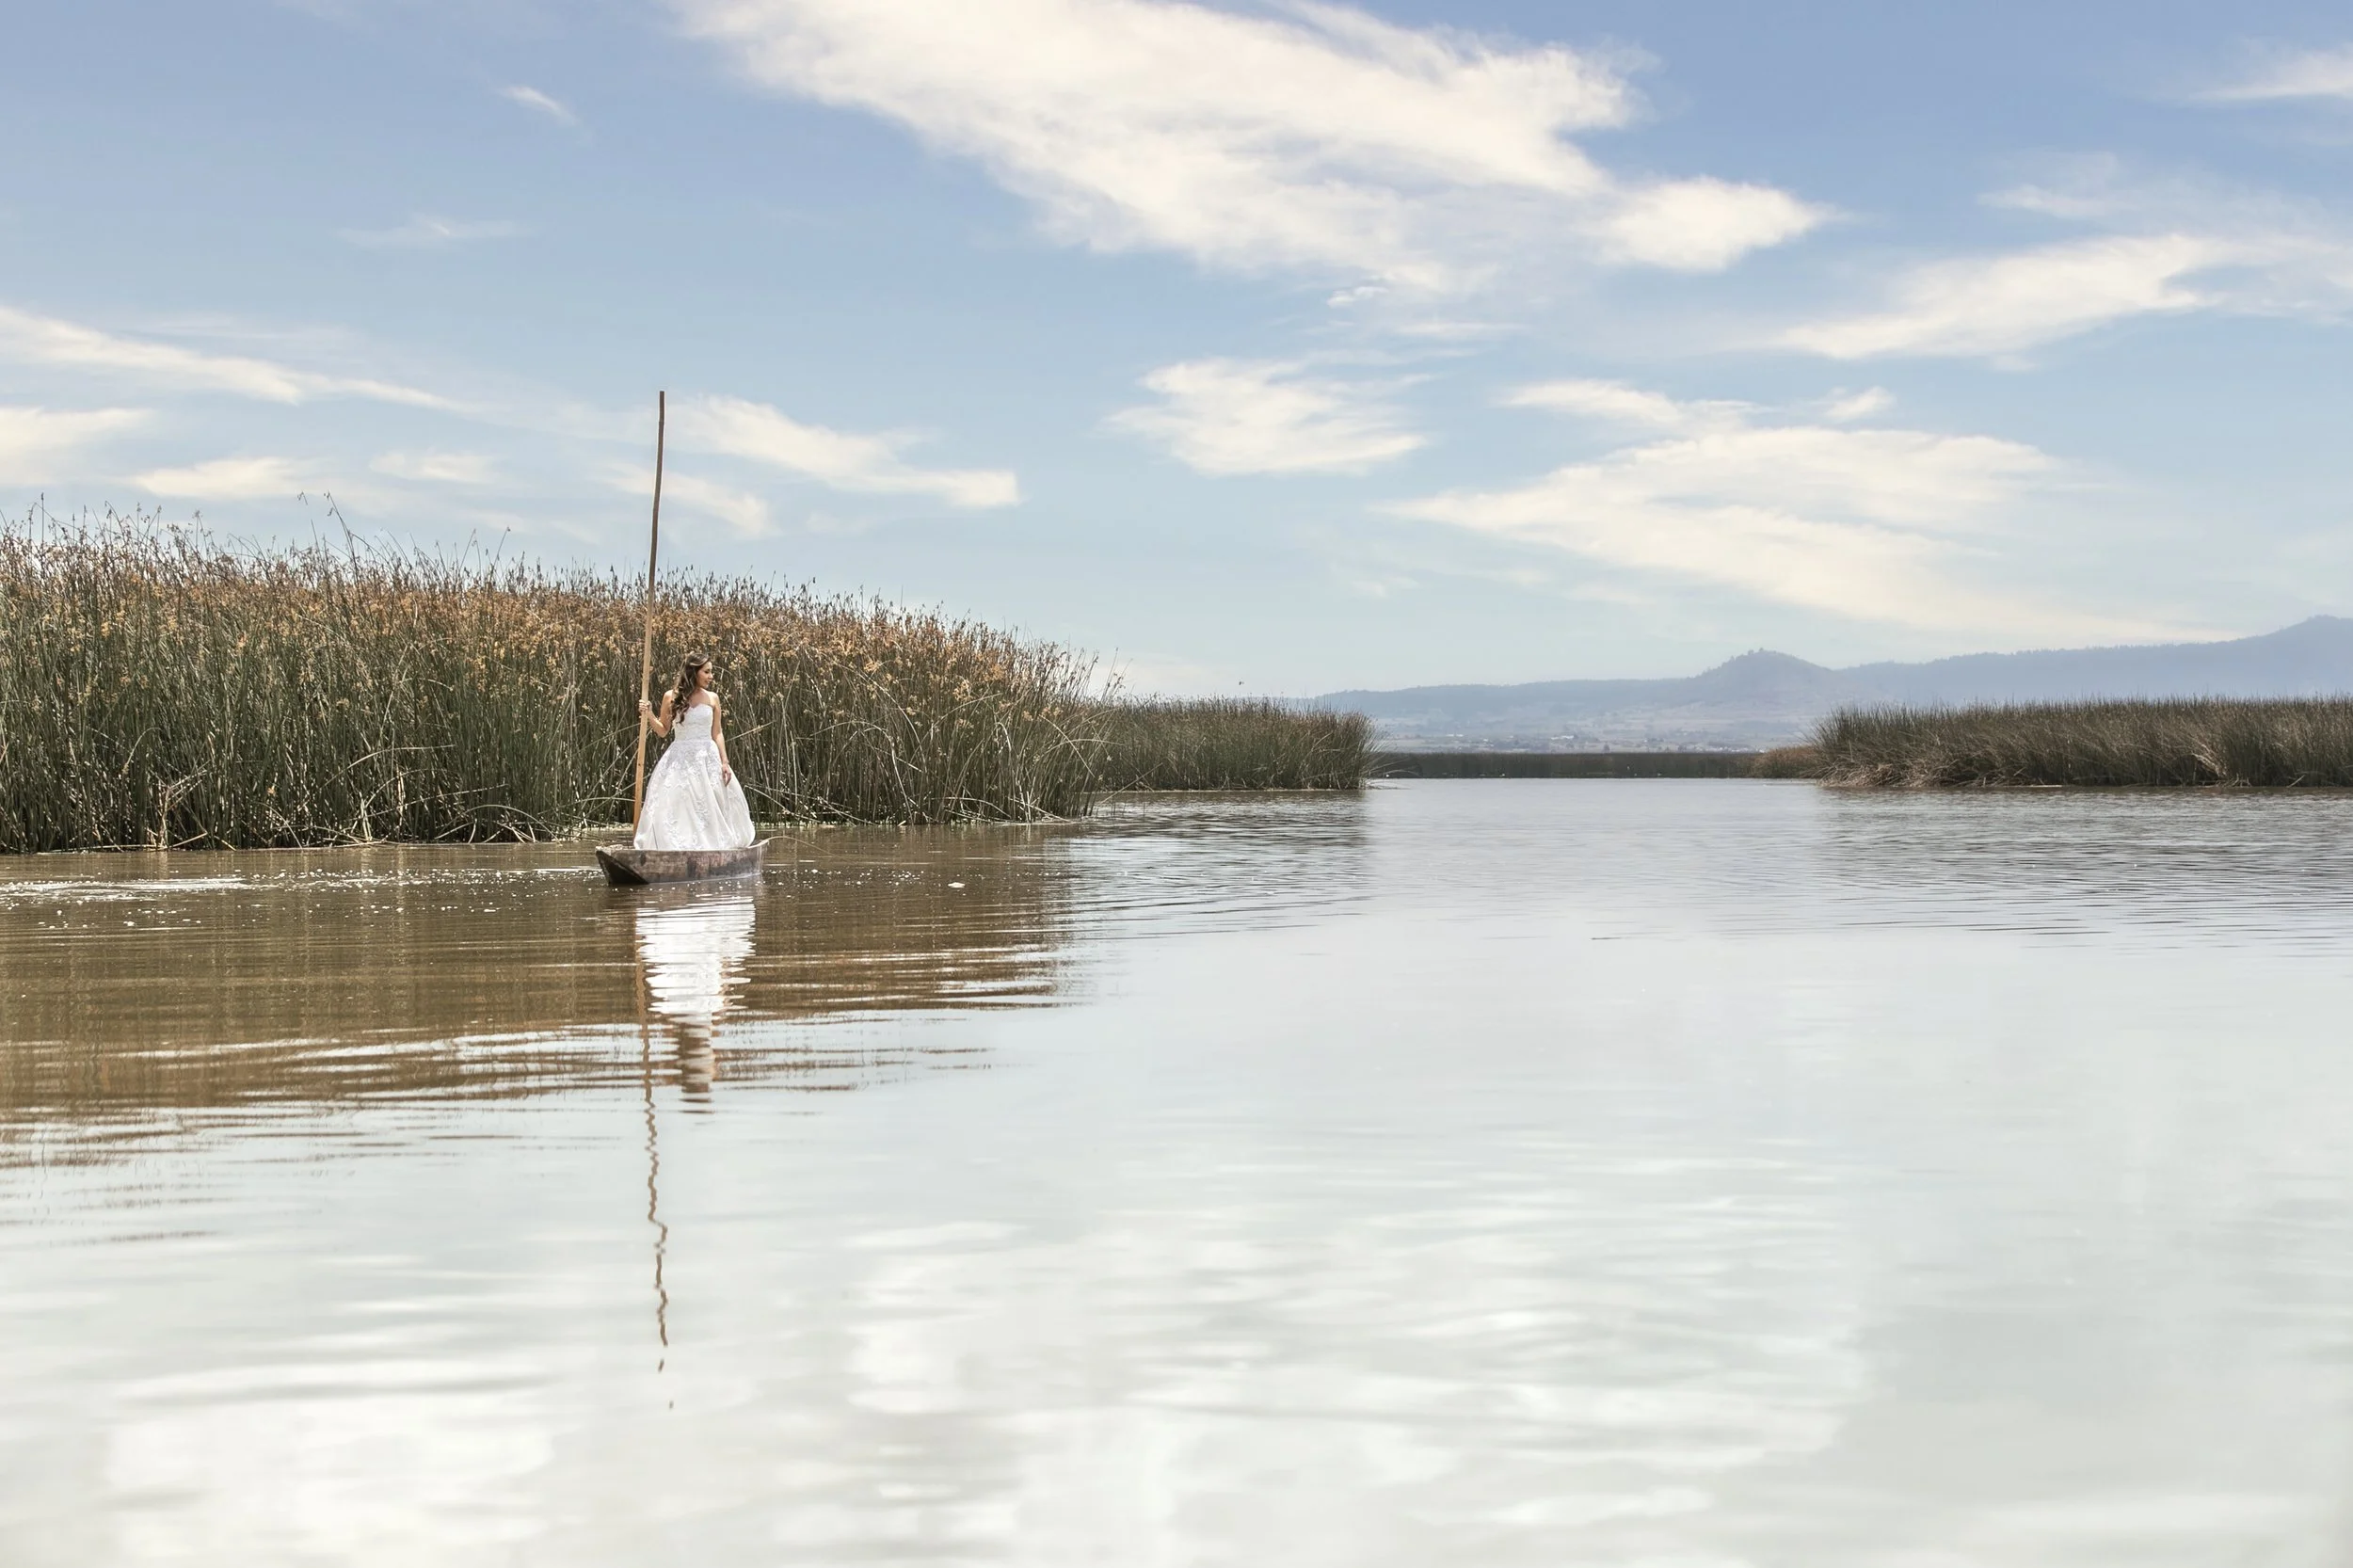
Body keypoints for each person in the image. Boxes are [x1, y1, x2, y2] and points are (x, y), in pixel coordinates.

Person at [633, 652, 756, 851]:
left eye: (711, 672)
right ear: (694, 672)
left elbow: (717, 733)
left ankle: (711, 846)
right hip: (679, 756)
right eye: (706, 672)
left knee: (708, 803)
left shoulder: (713, 698)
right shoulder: (670, 696)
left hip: (706, 756)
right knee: (679, 802)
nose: (711, 676)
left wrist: (725, 762)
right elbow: (663, 731)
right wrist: (648, 714)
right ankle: (677, 846)